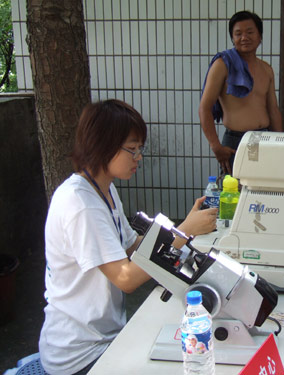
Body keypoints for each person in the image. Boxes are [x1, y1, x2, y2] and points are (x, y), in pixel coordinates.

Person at [38, 99, 217, 375]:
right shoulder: (80, 203)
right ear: (103, 145)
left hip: (103, 336)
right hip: (78, 355)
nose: (139, 157)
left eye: (139, 149)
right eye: (131, 150)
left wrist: (180, 233)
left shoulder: (104, 189)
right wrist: (185, 231)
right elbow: (126, 279)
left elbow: (135, 247)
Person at [199, 10, 282, 175]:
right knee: (235, 193)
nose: (244, 37)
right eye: (238, 33)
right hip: (235, 141)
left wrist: (281, 142)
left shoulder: (267, 69)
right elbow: (204, 107)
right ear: (233, 38)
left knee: (263, 190)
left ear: (260, 37)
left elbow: (273, 109)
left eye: (250, 32)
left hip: (264, 138)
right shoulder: (223, 64)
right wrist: (215, 146)